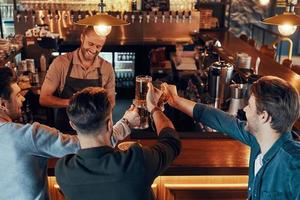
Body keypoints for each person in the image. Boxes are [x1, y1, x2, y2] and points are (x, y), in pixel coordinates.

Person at [0, 67, 137, 200]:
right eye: (17, 95)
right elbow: (90, 144)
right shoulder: (28, 136)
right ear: (2, 104)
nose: (22, 99)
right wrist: (126, 123)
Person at [162, 76, 300, 200]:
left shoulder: (294, 164)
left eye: (250, 106)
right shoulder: (259, 140)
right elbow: (221, 120)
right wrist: (175, 101)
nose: (245, 109)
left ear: (264, 116)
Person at [55, 84, 181, 200]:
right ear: (110, 124)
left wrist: (126, 122)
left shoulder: (63, 170)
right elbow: (171, 141)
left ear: (72, 125)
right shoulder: (136, 161)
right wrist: (154, 108)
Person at [39, 26, 115, 132]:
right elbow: (44, 99)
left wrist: (107, 124)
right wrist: (72, 102)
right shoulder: (61, 63)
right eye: (91, 44)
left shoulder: (107, 68)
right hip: (66, 129)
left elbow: (111, 101)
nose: (94, 50)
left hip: (95, 131)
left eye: (98, 47)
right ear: (82, 38)